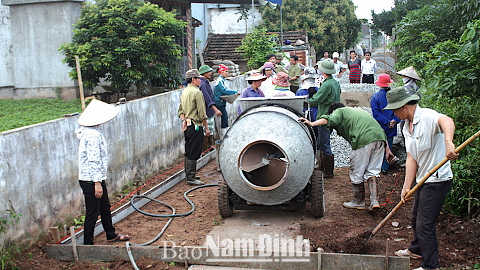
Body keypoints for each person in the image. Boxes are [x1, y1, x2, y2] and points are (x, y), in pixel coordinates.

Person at [384, 87, 458, 270]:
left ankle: (430, 266)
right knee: (415, 216)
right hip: (423, 179)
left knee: (425, 224)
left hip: (438, 180)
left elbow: (447, 121)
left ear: (404, 106)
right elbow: (412, 158)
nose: (393, 114)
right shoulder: (405, 126)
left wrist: (449, 143)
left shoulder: (427, 117)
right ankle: (417, 249)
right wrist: (406, 187)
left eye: (394, 110)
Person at [300, 103, 394, 211]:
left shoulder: (339, 111)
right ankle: (374, 201)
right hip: (380, 140)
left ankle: (358, 201)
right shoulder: (359, 112)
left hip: (363, 140)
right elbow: (379, 131)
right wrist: (388, 151)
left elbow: (329, 119)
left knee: (357, 173)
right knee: (373, 172)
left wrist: (312, 124)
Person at [76, 99, 130, 245]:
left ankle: (110, 234)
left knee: (105, 207)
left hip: (94, 178)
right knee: (93, 213)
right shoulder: (92, 135)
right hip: (91, 180)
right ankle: (87, 244)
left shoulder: (91, 132)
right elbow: (93, 160)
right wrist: (97, 183)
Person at [307, 60, 341, 178]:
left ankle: (328, 171)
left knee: (325, 144)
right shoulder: (335, 83)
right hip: (332, 116)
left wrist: (305, 101)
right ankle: (321, 166)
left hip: (324, 117)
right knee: (322, 142)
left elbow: (317, 99)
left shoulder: (326, 84)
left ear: (323, 71)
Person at [178, 69, 211, 186]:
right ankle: (191, 178)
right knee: (195, 151)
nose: (200, 81)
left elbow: (180, 110)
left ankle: (189, 174)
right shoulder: (197, 93)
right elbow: (202, 113)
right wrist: (206, 128)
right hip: (196, 125)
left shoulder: (185, 92)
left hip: (187, 124)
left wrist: (183, 120)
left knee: (189, 149)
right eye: (198, 79)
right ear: (193, 79)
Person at [371, 74, 400, 175]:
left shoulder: (375, 97)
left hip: (380, 125)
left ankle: (376, 167)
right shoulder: (395, 96)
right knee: (390, 145)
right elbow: (399, 110)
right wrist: (394, 121)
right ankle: (385, 167)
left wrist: (386, 122)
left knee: (378, 146)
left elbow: (376, 113)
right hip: (392, 127)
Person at [296, 67, 320, 167]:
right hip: (316, 119)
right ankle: (316, 160)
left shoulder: (300, 92)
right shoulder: (318, 90)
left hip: (304, 119)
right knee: (316, 140)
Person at [199, 64, 222, 145]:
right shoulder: (203, 84)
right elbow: (207, 99)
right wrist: (215, 109)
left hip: (209, 111)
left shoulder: (205, 82)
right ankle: (206, 150)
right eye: (208, 71)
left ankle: (210, 147)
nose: (210, 73)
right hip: (206, 111)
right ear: (204, 73)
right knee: (207, 131)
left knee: (210, 130)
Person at [214, 64, 237, 134]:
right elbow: (223, 91)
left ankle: (225, 133)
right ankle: (224, 134)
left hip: (222, 101)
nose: (227, 73)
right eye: (226, 71)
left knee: (225, 118)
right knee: (224, 118)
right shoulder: (219, 81)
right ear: (221, 72)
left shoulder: (222, 80)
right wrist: (234, 92)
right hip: (219, 102)